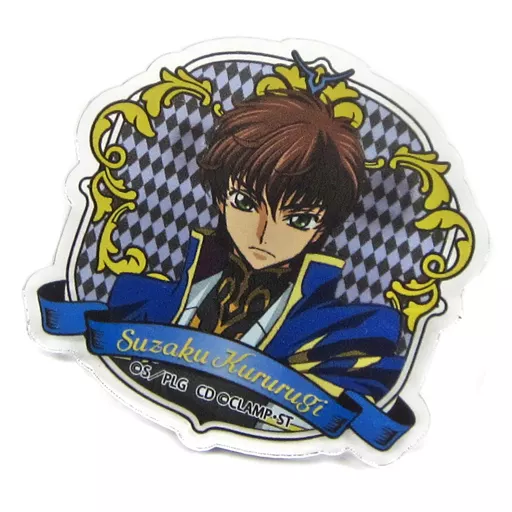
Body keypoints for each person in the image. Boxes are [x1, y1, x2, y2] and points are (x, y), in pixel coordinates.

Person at [108, 90, 404, 402]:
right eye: (246, 203)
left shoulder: (344, 338)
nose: (264, 233)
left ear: (320, 230)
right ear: (221, 200)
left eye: (298, 219)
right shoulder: (139, 301)